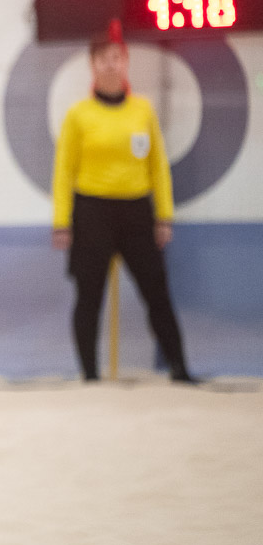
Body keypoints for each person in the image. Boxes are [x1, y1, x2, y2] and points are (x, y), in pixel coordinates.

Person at [50, 20, 194, 383]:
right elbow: (64, 172)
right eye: (103, 59)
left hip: (136, 212)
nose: (110, 65)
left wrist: (163, 216)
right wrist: (61, 222)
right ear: (92, 65)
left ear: (126, 62)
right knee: (89, 296)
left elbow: (158, 167)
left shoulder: (142, 111)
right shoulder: (78, 115)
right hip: (91, 211)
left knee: (157, 292)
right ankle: (89, 375)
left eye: (117, 58)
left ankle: (179, 369)